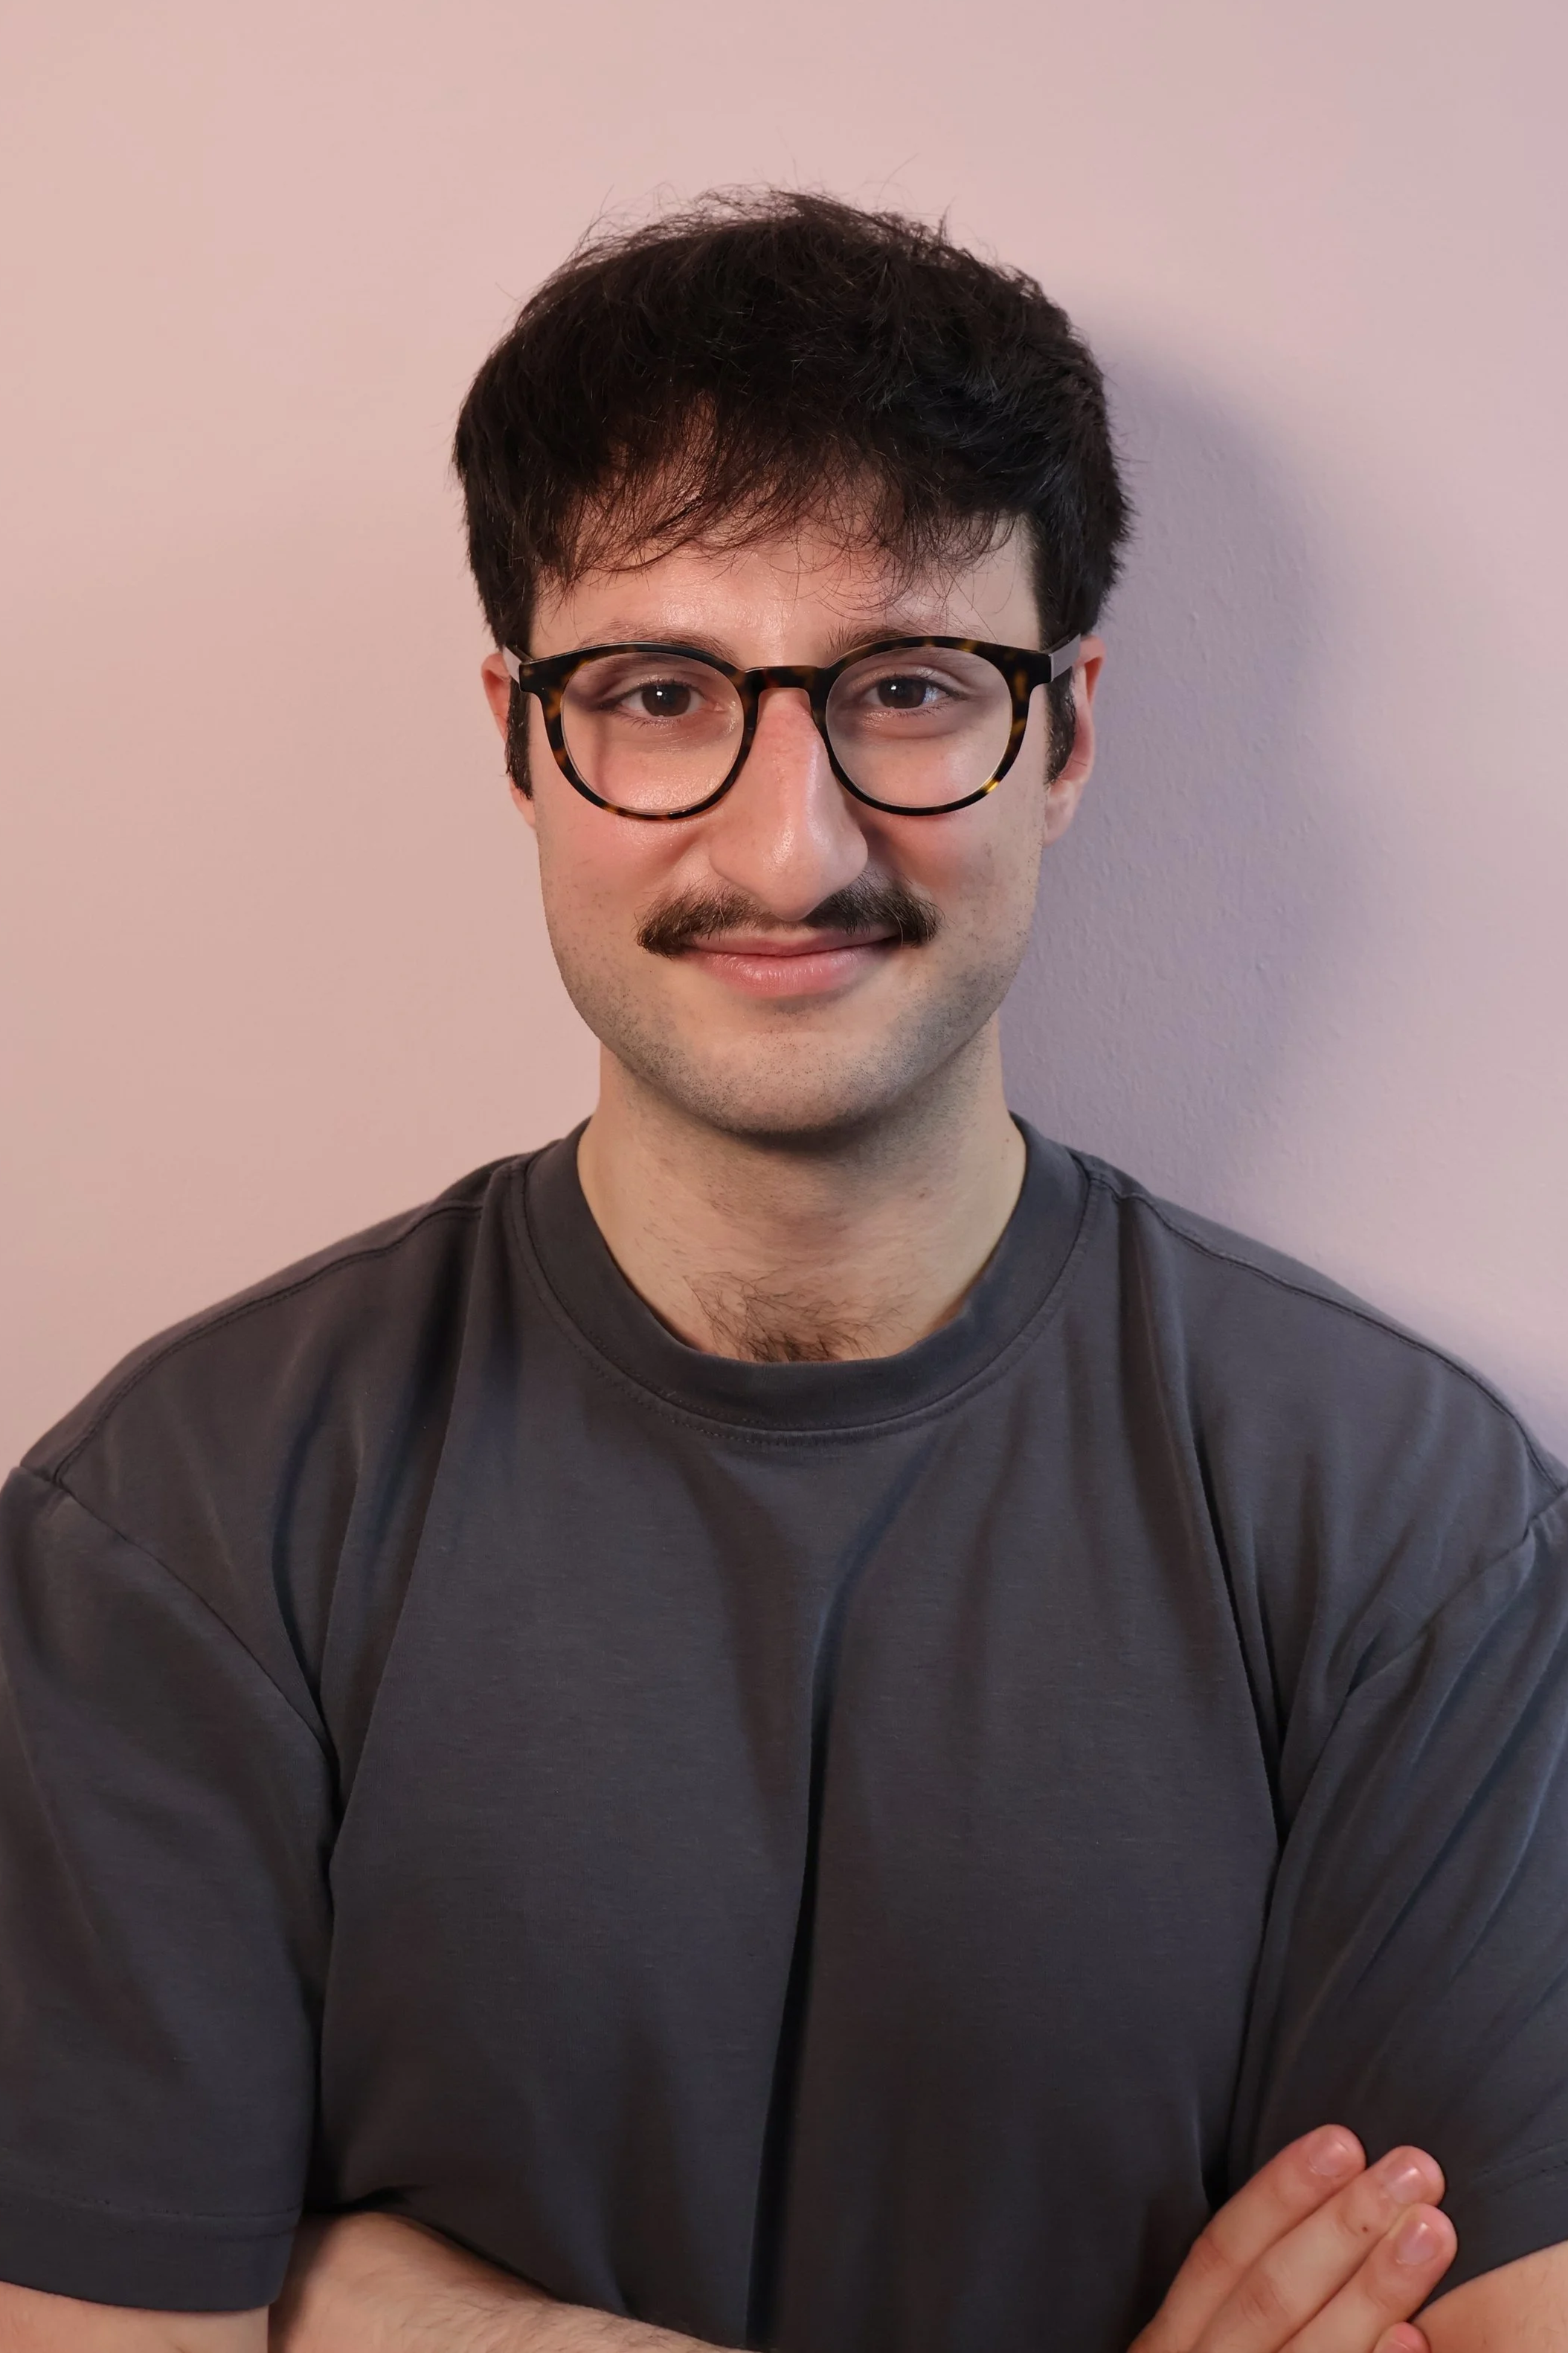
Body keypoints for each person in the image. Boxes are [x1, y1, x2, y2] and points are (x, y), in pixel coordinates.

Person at [1, 192, 1564, 2353]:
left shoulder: (1400, 1522)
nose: (786, 843)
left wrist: (402, 2314)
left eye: (908, 687)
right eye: (656, 692)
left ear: (1066, 731)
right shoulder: (171, 1528)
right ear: (521, 733)